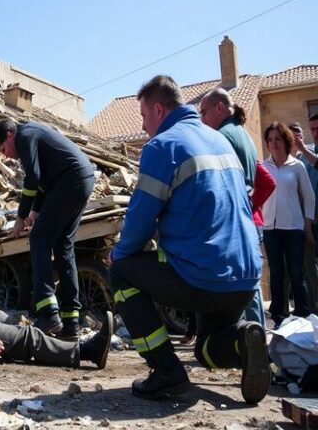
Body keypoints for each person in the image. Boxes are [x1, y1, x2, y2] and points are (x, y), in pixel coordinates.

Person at [109, 75, 268, 404]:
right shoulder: (220, 141)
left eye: (142, 116)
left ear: (158, 109)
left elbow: (139, 223)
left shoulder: (162, 146)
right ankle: (243, 340)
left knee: (122, 269)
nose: (142, 126)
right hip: (246, 277)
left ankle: (166, 370)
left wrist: (119, 252)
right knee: (207, 349)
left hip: (202, 275)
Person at [0, 118, 95, 339]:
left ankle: (48, 313)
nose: (6, 155)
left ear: (10, 135)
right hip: (81, 179)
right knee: (63, 248)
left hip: (71, 181)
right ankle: (71, 323)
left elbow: (33, 177)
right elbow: (45, 179)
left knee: (38, 239)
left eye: (3, 149)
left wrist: (20, 217)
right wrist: (35, 212)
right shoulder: (33, 134)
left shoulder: (25, 135)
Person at [198, 87, 267, 326]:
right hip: (247, 219)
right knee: (250, 285)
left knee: (235, 289)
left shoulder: (222, 136)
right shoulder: (243, 134)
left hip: (233, 221)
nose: (202, 120)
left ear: (219, 108)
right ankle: (257, 344)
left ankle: (239, 346)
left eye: (204, 112)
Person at [261, 122, 315, 328]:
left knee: (296, 272)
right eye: (270, 140)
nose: (274, 143)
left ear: (285, 140)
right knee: (276, 272)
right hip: (270, 228)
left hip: (293, 227)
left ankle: (302, 313)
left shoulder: (297, 166)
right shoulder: (263, 167)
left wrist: (307, 224)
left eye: (277, 139)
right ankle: (278, 315)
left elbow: (309, 198)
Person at [288, 122, 318, 311]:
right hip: (307, 221)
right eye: (312, 129)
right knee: (308, 267)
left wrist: (303, 149)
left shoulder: (308, 153)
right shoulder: (290, 160)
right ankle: (312, 307)